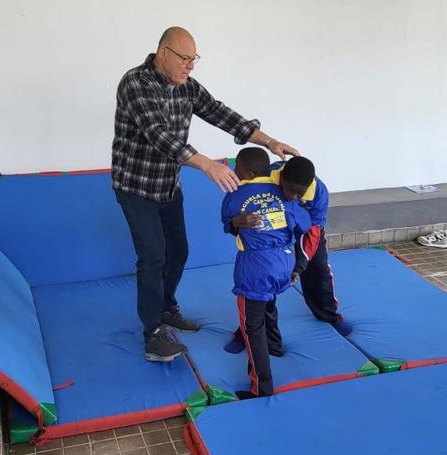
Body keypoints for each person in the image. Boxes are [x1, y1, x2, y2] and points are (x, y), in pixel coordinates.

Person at [112, 26, 299, 362]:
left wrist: (269, 141)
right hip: (135, 186)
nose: (190, 66)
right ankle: (153, 334)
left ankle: (166, 306)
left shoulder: (188, 88)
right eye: (185, 58)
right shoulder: (135, 83)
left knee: (178, 251)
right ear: (163, 53)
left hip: (168, 184)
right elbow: (159, 135)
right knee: (153, 256)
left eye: (194, 59)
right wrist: (208, 165)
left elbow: (220, 113)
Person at [225, 157, 352, 356]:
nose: (293, 196)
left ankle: (329, 314)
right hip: (271, 233)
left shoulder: (319, 193)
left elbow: (312, 232)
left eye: (299, 193)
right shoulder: (267, 177)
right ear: (281, 178)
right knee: (261, 282)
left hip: (307, 228)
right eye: (289, 190)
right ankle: (247, 333)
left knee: (319, 268)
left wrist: (299, 266)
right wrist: (238, 222)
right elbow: (246, 204)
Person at [221, 147, 310, 399]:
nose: (234, 174)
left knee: (252, 327)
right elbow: (305, 225)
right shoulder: (287, 195)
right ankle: (275, 346)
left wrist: (238, 221)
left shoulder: (235, 195)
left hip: (255, 269)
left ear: (247, 172)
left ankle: (262, 387)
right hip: (284, 264)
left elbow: (228, 225)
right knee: (268, 301)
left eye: (236, 169)